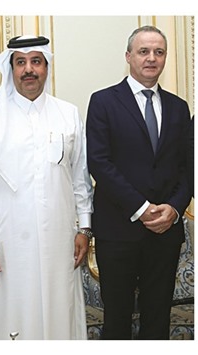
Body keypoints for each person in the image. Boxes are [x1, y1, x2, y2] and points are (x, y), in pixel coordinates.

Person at [0, 35, 93, 340]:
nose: (28, 70)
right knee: (15, 318)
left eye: (36, 61)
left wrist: (85, 229)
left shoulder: (68, 115)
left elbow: (80, 178)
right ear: (10, 69)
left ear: (46, 67)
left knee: (61, 314)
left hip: (59, 241)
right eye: (20, 62)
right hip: (7, 246)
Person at [86, 25, 192, 340]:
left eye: (159, 52)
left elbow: (189, 168)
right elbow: (100, 163)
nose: (151, 58)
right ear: (128, 56)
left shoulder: (178, 107)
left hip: (165, 234)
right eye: (144, 51)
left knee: (157, 320)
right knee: (117, 321)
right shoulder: (103, 101)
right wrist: (142, 208)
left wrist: (173, 208)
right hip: (117, 230)